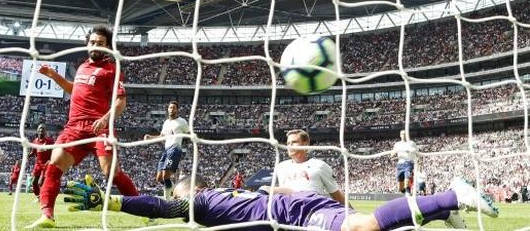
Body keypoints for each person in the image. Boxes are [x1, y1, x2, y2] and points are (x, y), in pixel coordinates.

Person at [63, 175, 499, 230]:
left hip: (296, 215)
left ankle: (451, 195)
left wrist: (114, 203)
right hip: (294, 211)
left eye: (179, 188)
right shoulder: (227, 196)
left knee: (363, 229)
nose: (174, 191)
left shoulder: (203, 203)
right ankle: (444, 210)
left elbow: (160, 208)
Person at [26, 25, 139, 228]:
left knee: (111, 173)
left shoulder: (112, 69)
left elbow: (120, 102)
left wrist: (105, 119)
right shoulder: (82, 67)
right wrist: (53, 75)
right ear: (87, 44)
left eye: (101, 43)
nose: (96, 46)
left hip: (99, 128)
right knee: (54, 166)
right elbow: (74, 89)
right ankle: (47, 216)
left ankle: (145, 210)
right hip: (74, 127)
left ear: (108, 47)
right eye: (93, 42)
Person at [274, 129, 346, 206]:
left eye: (294, 142)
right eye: (288, 143)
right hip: (287, 214)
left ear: (305, 144)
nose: (290, 146)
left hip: (312, 212)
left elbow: (336, 195)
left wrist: (353, 213)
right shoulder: (281, 167)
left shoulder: (319, 165)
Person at [143, 100, 189, 199]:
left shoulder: (182, 121)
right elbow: (162, 136)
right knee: (159, 178)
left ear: (177, 110)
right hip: (166, 150)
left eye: (174, 108)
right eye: (170, 107)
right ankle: (173, 188)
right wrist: (150, 137)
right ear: (168, 109)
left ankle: (167, 201)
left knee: (165, 176)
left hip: (175, 149)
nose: (172, 109)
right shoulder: (166, 122)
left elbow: (189, 133)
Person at [29, 124, 54, 198]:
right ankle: (38, 197)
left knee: (41, 182)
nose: (41, 130)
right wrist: (27, 154)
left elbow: (54, 152)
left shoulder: (49, 141)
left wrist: (50, 160)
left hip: (46, 164)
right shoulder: (35, 141)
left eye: (42, 129)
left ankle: (45, 196)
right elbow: (33, 152)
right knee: (34, 182)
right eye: (39, 129)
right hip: (38, 165)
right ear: (37, 131)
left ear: (45, 131)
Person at [394, 130, 418, 196]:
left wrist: (411, 151)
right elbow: (392, 154)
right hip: (400, 165)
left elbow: (416, 152)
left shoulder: (411, 143)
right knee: (400, 188)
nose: (403, 135)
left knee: (407, 182)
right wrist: (393, 154)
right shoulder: (397, 144)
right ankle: (406, 192)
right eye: (402, 134)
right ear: (400, 135)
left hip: (408, 163)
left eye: (405, 134)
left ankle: (408, 193)